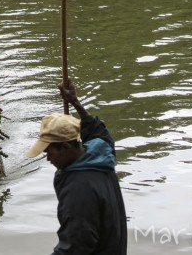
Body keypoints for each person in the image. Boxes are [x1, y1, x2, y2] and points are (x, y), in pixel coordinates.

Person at [26, 78, 127, 255]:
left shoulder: (79, 188)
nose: (48, 158)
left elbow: (75, 246)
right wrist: (75, 102)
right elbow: (97, 129)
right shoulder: (102, 153)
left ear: (65, 148)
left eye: (49, 152)